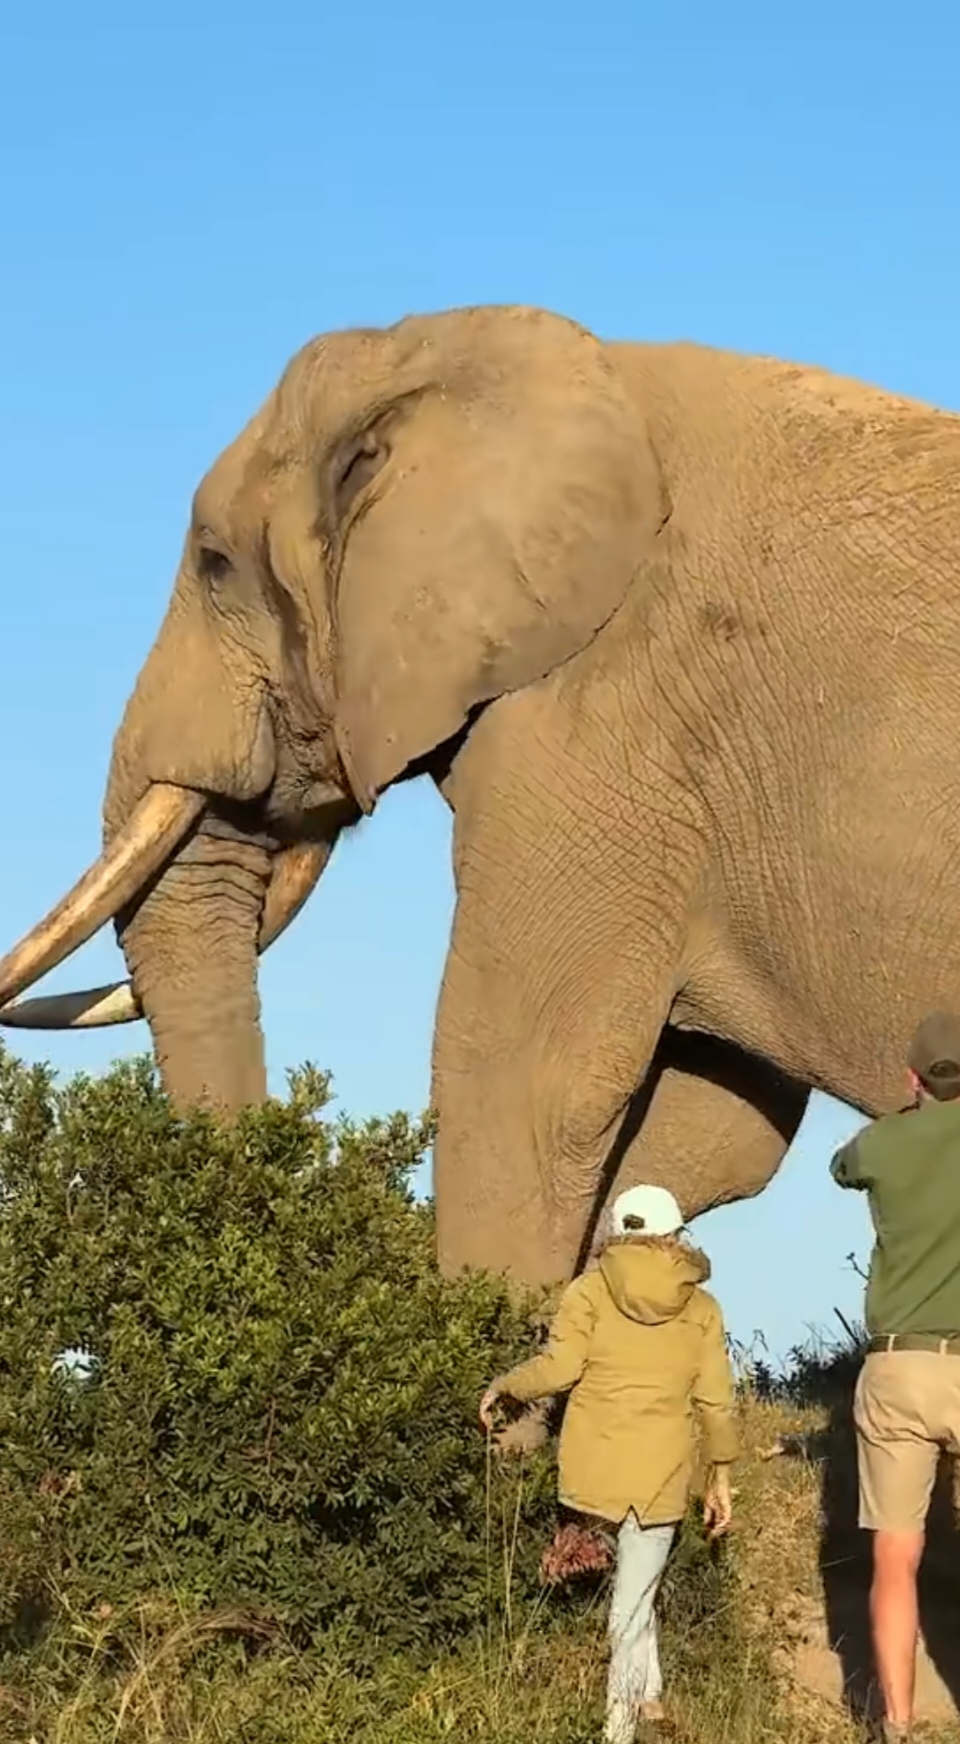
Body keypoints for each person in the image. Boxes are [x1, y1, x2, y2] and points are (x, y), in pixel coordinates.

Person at [479, 1183, 738, 1743]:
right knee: (634, 1597)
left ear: (618, 1232)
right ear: (674, 1236)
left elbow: (559, 1368)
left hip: (592, 1469)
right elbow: (716, 1401)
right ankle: (631, 1718)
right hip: (663, 1476)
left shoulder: (588, 1292)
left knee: (628, 1604)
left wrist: (506, 1384)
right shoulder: (702, 1307)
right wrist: (720, 1475)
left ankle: (635, 1712)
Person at [831, 1011, 960, 1743]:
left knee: (895, 1555)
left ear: (915, 1079)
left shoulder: (882, 1143)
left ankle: (900, 1726)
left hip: (899, 1364)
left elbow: (842, 1167)